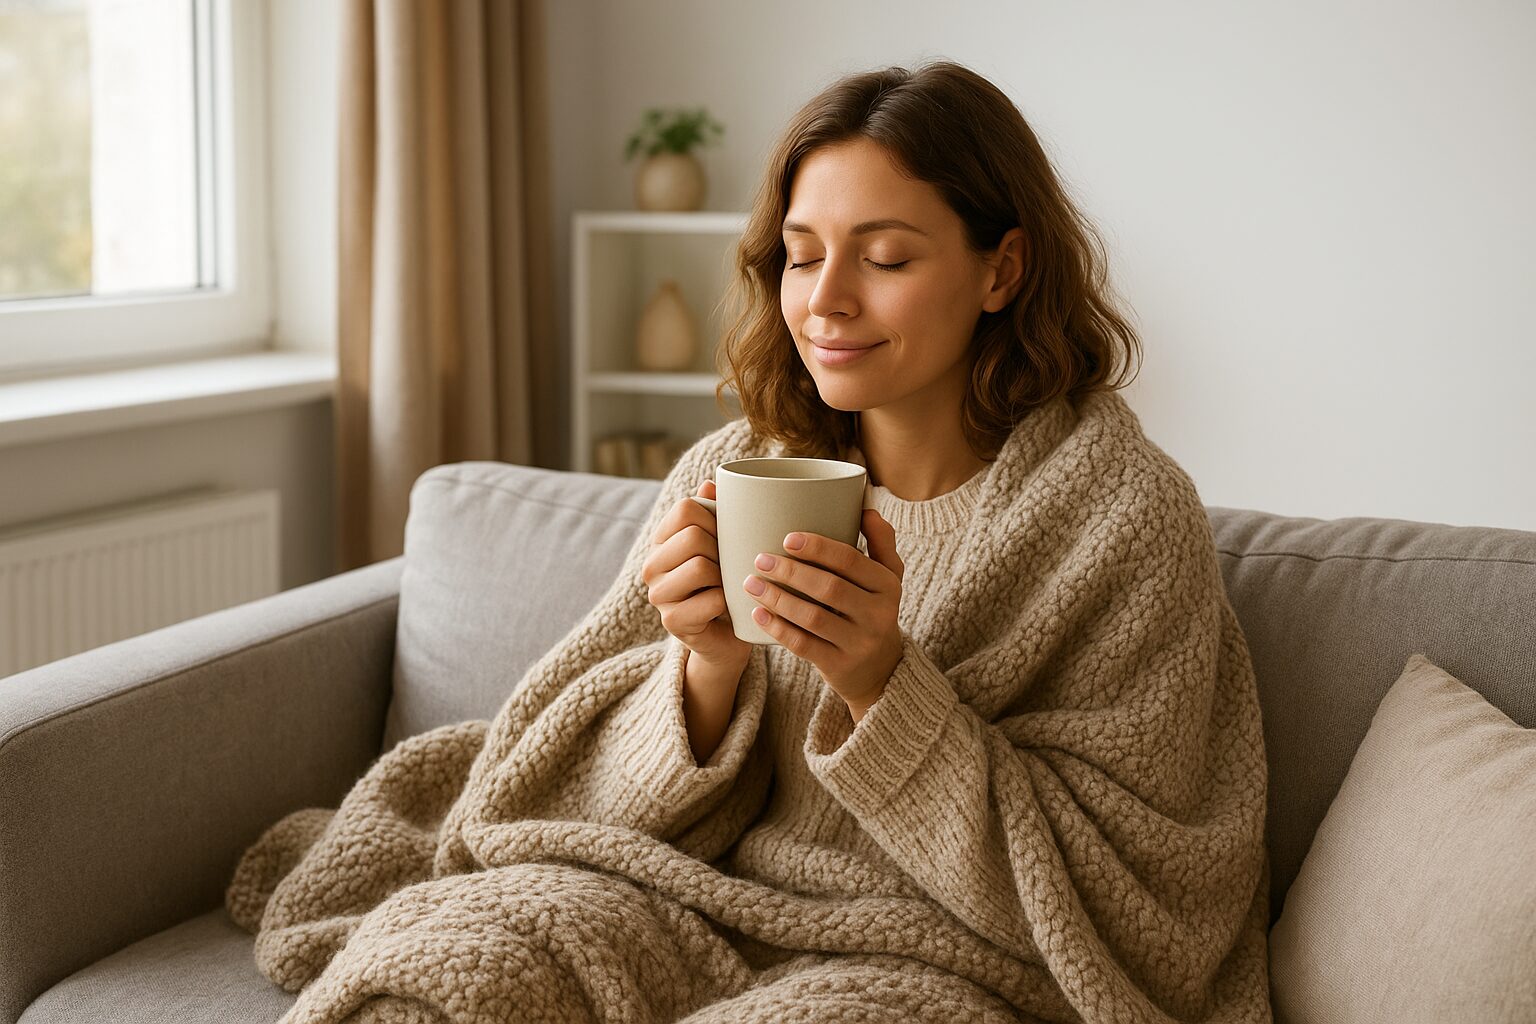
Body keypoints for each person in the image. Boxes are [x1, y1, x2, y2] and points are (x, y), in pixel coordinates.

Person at [231, 59, 1272, 1024]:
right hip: (689, 901)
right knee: (447, 965)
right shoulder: (737, 471)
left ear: (1001, 270)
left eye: (887, 256)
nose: (826, 300)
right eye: (802, 255)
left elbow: (1144, 907)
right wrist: (704, 671)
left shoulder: (1120, 521)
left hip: (941, 962)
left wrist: (881, 686)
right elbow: (546, 792)